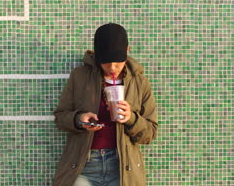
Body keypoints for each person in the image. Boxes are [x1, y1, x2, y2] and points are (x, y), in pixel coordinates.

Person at [53, 23, 158, 186]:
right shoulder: (80, 76)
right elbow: (60, 117)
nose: (112, 68)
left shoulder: (139, 82)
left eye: (117, 62)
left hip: (122, 167)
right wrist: (79, 119)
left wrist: (131, 118)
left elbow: (150, 133)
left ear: (127, 50)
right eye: (106, 62)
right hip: (84, 165)